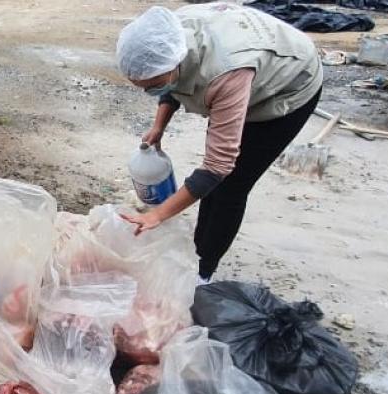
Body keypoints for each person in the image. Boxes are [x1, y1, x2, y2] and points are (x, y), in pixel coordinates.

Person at [115, 3, 323, 284]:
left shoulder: (225, 73)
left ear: (175, 63)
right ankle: (197, 251)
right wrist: (158, 126)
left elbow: (217, 166)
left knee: (231, 187)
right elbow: (171, 85)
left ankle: (203, 273)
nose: (149, 91)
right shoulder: (166, 37)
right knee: (213, 186)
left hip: (288, 87)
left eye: (152, 85)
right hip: (240, 73)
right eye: (142, 86)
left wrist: (158, 215)